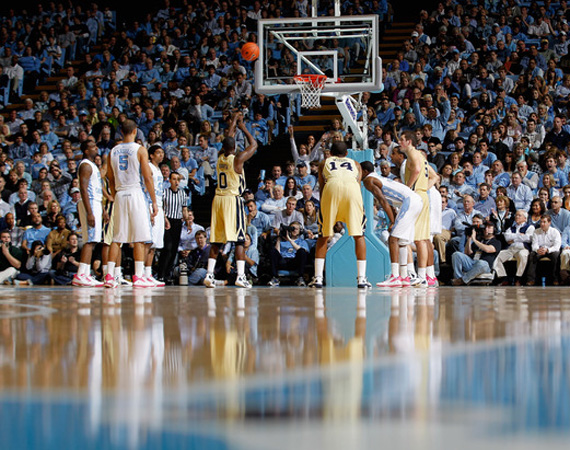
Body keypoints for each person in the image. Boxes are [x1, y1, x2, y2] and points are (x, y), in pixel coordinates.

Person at [204, 112, 258, 288]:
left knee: (217, 240)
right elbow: (254, 144)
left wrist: (234, 121)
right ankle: (241, 276)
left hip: (217, 200)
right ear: (235, 147)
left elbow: (228, 138)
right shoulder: (238, 159)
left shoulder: (220, 157)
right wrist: (244, 128)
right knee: (240, 239)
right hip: (231, 200)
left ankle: (209, 275)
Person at [309, 141, 370, 289]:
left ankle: (317, 278)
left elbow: (322, 186)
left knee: (324, 234)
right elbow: (358, 184)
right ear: (347, 154)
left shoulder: (325, 162)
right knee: (359, 235)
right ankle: (361, 278)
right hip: (352, 190)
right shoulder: (356, 164)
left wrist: (325, 206)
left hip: (332, 188)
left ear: (330, 153)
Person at [105, 119, 157, 288]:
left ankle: (109, 277)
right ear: (135, 131)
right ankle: (138, 276)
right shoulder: (140, 149)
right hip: (135, 192)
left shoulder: (112, 151)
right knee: (139, 238)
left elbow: (110, 179)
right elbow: (147, 177)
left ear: (121, 132)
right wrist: (154, 201)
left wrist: (115, 195)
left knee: (117, 238)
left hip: (120, 194)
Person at [360, 161, 422, 287]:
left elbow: (383, 201)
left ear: (365, 171)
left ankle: (395, 276)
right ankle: (405, 276)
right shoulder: (378, 177)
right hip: (415, 200)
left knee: (392, 238)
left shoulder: (368, 180)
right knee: (403, 241)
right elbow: (391, 202)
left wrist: (393, 221)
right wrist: (393, 217)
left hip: (409, 201)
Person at [400, 130, 438, 287]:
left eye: (402, 140)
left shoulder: (414, 155)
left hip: (416, 196)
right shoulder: (422, 157)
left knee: (412, 238)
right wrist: (423, 188)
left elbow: (416, 170)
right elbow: (435, 177)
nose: (399, 143)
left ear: (409, 141)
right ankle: (423, 275)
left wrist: (408, 188)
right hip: (422, 195)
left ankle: (413, 273)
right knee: (422, 238)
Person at [72, 141, 105, 287]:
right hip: (90, 203)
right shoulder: (85, 165)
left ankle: (85, 273)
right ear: (86, 150)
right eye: (92, 146)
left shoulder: (93, 165)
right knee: (89, 240)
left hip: (96, 203)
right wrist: (90, 212)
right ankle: (81, 274)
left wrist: (103, 210)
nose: (96, 148)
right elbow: (83, 190)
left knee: (93, 240)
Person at [451, 220, 501, 286]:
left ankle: (462, 280)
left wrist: (474, 240)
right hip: (472, 263)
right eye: (485, 227)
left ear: (494, 229)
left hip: (484, 266)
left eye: (489, 228)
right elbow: (467, 252)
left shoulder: (496, 242)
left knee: (482, 263)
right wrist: (469, 239)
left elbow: (488, 249)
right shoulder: (480, 240)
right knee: (456, 254)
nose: (486, 229)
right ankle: (458, 278)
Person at [143, 144, 166, 286]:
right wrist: (149, 208)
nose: (161, 155)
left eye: (162, 153)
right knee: (148, 242)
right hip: (150, 205)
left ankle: (148, 273)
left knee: (154, 244)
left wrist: (163, 216)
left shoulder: (158, 170)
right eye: (158, 153)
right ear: (151, 155)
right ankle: (141, 274)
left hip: (159, 206)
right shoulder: (149, 167)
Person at [493, 210, 534, 286]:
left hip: (522, 248)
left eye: (519, 215)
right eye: (516, 215)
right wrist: (520, 236)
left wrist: (513, 238)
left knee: (523, 255)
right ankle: (503, 277)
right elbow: (507, 237)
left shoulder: (530, 227)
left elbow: (528, 238)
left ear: (525, 218)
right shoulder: (511, 228)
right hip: (511, 248)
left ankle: (518, 278)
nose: (517, 217)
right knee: (498, 256)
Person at [268, 221, 310, 287]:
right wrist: (279, 239)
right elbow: (277, 252)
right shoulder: (282, 241)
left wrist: (290, 240)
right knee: (273, 251)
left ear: (300, 231)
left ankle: (300, 278)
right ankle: (275, 278)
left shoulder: (302, 241)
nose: (294, 230)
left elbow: (303, 251)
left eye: (296, 229)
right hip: (283, 260)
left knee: (302, 252)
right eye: (292, 228)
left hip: (294, 261)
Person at [525, 215, 561, 286]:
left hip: (550, 250)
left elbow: (557, 246)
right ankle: (531, 279)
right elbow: (534, 245)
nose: (542, 224)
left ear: (549, 223)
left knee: (556, 255)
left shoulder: (555, 232)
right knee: (532, 255)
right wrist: (537, 250)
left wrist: (548, 250)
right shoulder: (536, 231)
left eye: (544, 222)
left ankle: (555, 279)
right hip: (540, 250)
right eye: (541, 222)